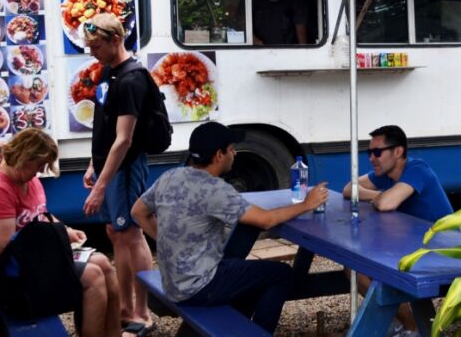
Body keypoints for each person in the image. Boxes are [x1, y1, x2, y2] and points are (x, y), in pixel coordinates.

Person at [131, 122, 328, 333]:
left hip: (172, 282)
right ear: (219, 155)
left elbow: (137, 212)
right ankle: (259, 332)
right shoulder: (216, 189)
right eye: (232, 149)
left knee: (244, 273)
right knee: (280, 274)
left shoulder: (170, 176)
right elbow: (266, 220)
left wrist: (168, 241)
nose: (235, 154)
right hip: (198, 287)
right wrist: (307, 204)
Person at [0, 129, 124, 337]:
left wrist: (66, 231)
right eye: (39, 166)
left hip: (31, 263)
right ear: (24, 158)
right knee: (92, 275)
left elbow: (41, 215)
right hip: (4, 275)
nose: (40, 172)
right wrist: (55, 246)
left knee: (104, 264)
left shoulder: (31, 182)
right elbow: (4, 247)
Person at [80, 12, 155, 334]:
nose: (92, 52)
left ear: (116, 40)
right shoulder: (108, 73)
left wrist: (101, 185)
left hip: (125, 168)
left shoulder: (131, 79)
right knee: (115, 233)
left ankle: (143, 312)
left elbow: (124, 140)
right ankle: (124, 305)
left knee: (131, 234)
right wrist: (93, 164)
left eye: (96, 46)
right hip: (109, 166)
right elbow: (104, 127)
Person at [342, 125, 453, 336]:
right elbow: (349, 189)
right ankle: (406, 322)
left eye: (377, 152)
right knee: (354, 267)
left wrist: (382, 197)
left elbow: (386, 204)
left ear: (398, 151)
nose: (371, 158)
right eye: (369, 153)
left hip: (442, 249)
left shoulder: (417, 169)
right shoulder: (386, 174)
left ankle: (411, 326)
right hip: (412, 243)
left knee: (364, 268)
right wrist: (379, 195)